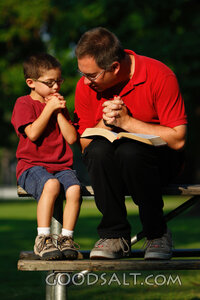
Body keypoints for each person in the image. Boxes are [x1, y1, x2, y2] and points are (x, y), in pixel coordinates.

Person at [74, 27, 187, 260]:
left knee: (130, 152)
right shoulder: (84, 87)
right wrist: (106, 123)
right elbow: (85, 145)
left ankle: (157, 233)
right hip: (111, 169)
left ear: (114, 67)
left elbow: (178, 139)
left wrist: (127, 122)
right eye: (82, 73)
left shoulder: (159, 75)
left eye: (92, 76)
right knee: (97, 150)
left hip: (159, 164)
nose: (85, 82)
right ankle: (114, 236)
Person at [12, 53, 81, 260]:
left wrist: (59, 112)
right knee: (51, 185)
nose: (56, 87)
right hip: (31, 167)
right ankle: (43, 239)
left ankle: (66, 239)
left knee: (75, 189)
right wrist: (48, 109)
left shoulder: (58, 106)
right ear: (31, 83)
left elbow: (71, 138)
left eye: (59, 81)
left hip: (61, 166)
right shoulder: (23, 104)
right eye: (49, 83)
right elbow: (32, 133)